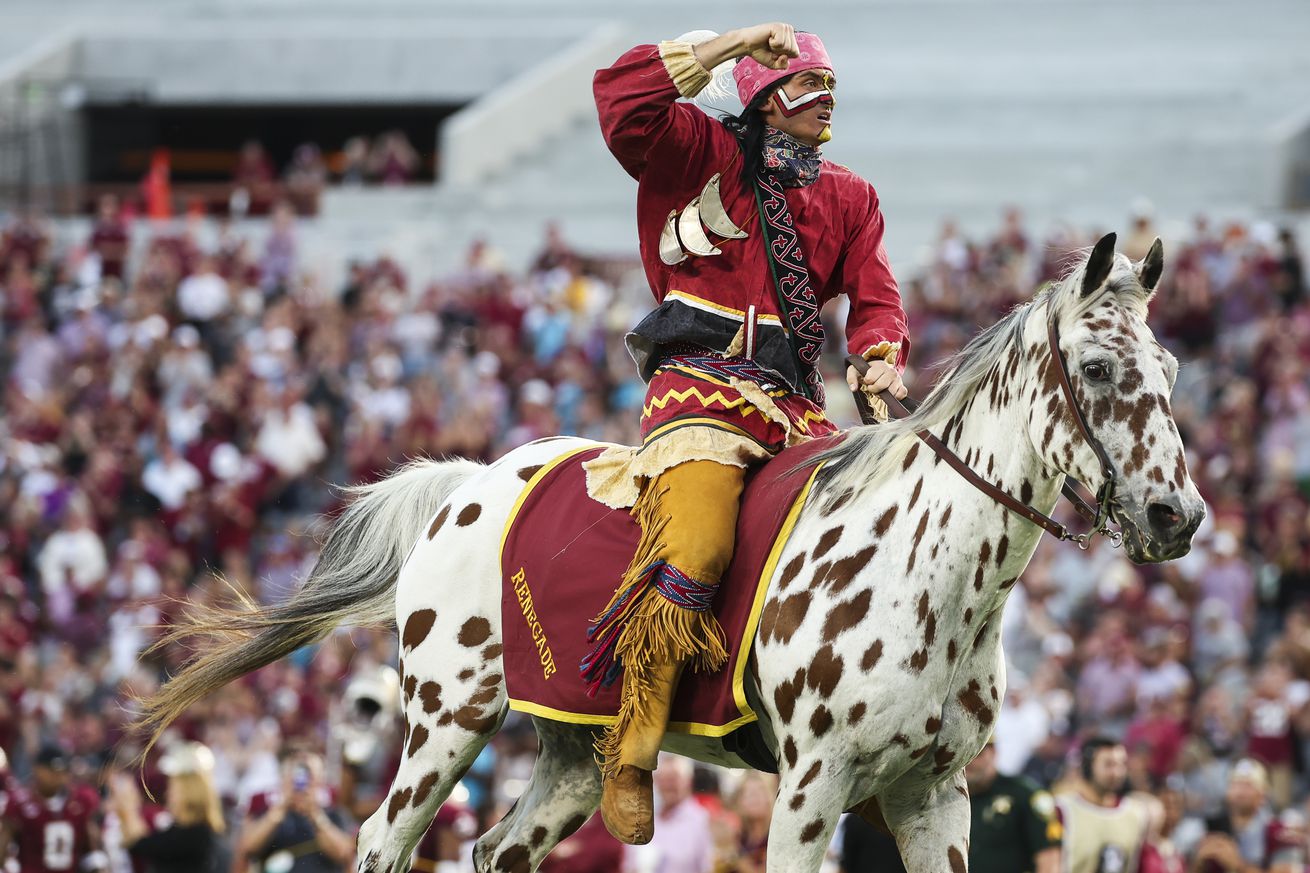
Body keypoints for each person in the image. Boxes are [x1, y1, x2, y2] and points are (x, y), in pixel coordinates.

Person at [585, 22, 909, 844]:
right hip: (696, 394)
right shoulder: (694, 150)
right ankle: (632, 744)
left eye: (833, 88)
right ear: (765, 98)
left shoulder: (851, 197)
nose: (827, 100)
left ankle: (850, 731)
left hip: (799, 411)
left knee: (866, 546)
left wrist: (879, 357)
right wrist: (727, 44)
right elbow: (620, 101)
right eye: (810, 87)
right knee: (695, 547)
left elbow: (876, 298)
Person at [105, 741, 229, 873]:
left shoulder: (196, 833)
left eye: (173, 787)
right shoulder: (183, 829)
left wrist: (128, 804)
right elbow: (143, 842)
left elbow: (142, 844)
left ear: (189, 791)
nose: (168, 794)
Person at [238, 751, 354, 873]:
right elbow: (247, 848)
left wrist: (315, 815)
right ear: (283, 780)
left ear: (320, 783)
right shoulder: (269, 815)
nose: (302, 784)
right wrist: (279, 809)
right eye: (295, 777)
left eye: (309, 778)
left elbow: (344, 853)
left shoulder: (335, 815)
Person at [0, 744, 105, 873]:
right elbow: (3, 847)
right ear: (37, 769)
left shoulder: (81, 800)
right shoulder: (20, 802)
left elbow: (93, 848)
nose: (58, 776)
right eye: (52, 771)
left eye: (62, 771)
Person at [1055, 737, 1152, 873]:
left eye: (1121, 764)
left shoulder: (1137, 813)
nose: (1117, 772)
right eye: (1108, 765)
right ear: (1087, 766)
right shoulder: (1062, 810)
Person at [965, 740, 1061, 873]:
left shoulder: (1026, 795)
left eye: (976, 754)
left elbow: (1049, 856)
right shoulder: (946, 798)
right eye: (962, 754)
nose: (968, 762)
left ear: (993, 752)